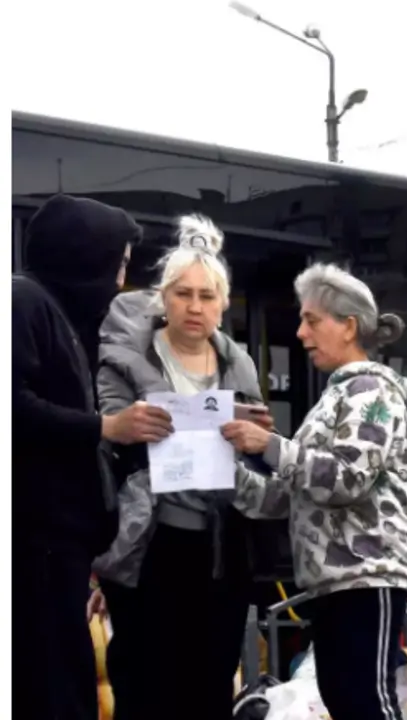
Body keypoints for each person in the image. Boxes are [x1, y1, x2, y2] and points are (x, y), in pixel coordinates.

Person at [92, 215, 272, 720]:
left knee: (211, 683)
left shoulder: (239, 364)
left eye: (207, 296)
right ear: (163, 299)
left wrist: (257, 437)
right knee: (144, 684)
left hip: (221, 549)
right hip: (146, 544)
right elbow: (103, 443)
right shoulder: (127, 358)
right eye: (183, 294)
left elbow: (256, 457)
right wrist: (126, 426)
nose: (195, 307)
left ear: (223, 304)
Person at [223, 262, 407, 720]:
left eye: (311, 320)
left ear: (348, 326)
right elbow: (285, 495)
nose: (300, 333)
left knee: (366, 702)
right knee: (345, 700)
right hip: (335, 580)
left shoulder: (370, 391)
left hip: (368, 576)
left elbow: (349, 478)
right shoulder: (337, 396)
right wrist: (221, 468)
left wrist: (269, 445)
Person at [13, 193, 173, 720]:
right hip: (35, 543)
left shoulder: (56, 313)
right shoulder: (23, 301)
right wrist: (107, 426)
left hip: (58, 547)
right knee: (52, 685)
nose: (120, 282)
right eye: (117, 264)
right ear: (85, 256)